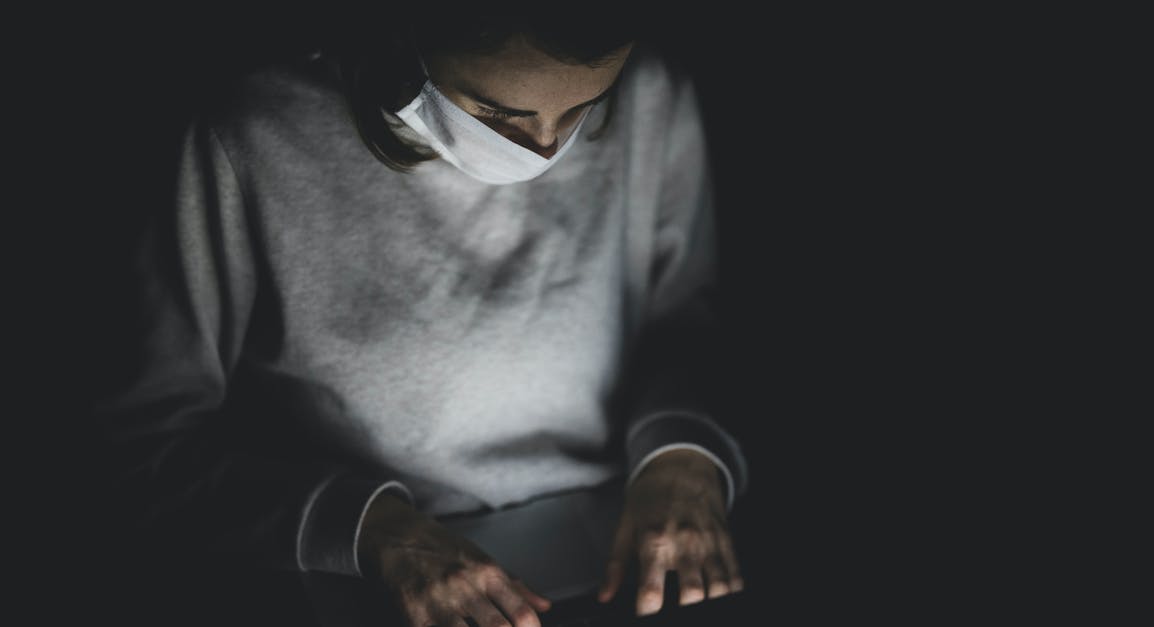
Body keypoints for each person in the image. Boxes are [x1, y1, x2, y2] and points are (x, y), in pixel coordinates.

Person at [90, 7, 750, 626]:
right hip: (356, 572)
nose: (547, 148)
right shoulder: (248, 137)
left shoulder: (652, 94)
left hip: (622, 541)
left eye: (585, 107)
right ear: (397, 41)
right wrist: (373, 531)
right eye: (497, 113)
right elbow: (141, 445)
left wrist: (683, 455)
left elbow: (685, 322)